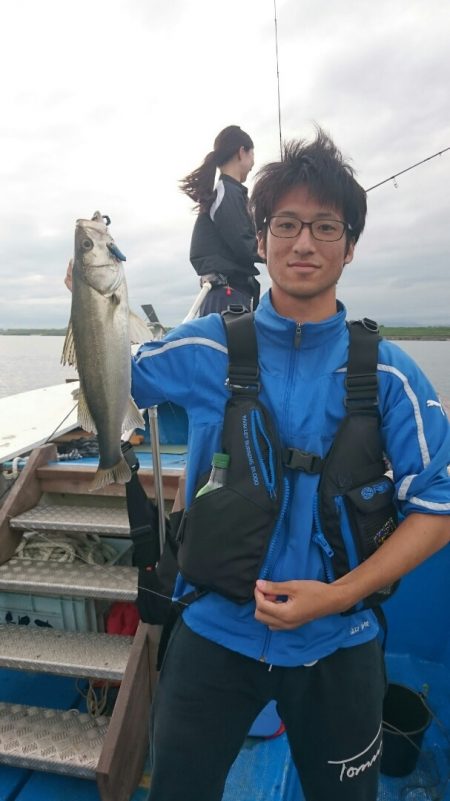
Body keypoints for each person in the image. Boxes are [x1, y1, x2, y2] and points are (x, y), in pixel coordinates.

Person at [131, 128, 450, 801]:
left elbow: (437, 507)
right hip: (213, 633)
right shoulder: (204, 347)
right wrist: (92, 302)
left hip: (340, 640)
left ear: (351, 244)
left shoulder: (392, 375)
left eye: (325, 226)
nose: (304, 242)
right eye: (286, 224)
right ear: (262, 238)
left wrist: (336, 596)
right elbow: (115, 377)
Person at [180, 124, 262, 315]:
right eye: (252, 156)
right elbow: (244, 245)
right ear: (242, 152)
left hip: (230, 294)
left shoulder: (228, 193)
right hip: (227, 297)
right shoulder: (226, 192)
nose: (253, 164)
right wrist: (277, 249)